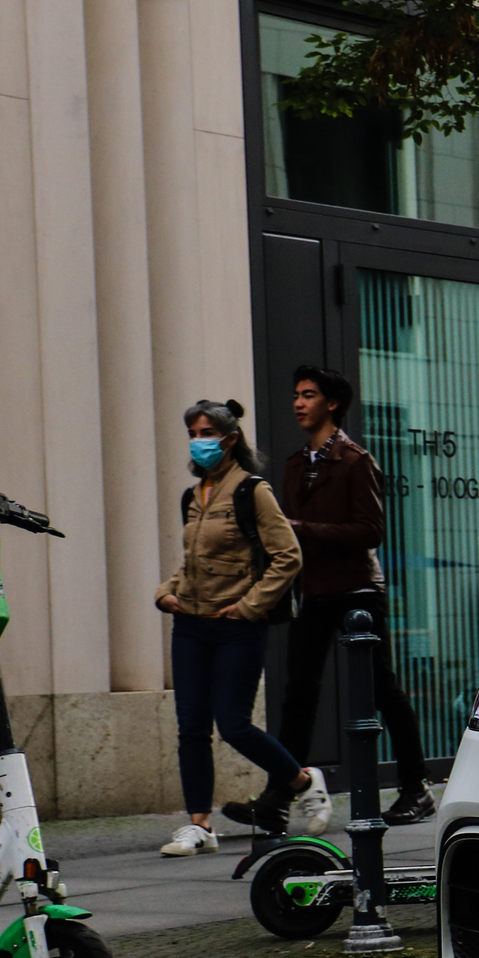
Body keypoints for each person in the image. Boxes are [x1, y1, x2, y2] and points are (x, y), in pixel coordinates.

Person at [272, 365, 434, 823]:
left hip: (358, 591)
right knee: (298, 693)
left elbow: (370, 530)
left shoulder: (356, 460)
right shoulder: (293, 464)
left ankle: (415, 787)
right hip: (314, 591)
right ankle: (280, 795)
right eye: (296, 395)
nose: (298, 403)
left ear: (332, 404)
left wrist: (301, 529)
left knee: (383, 689)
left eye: (308, 395)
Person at [154, 399, 314, 856]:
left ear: (228, 439)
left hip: (237, 626)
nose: (197, 441)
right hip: (190, 625)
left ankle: (301, 780)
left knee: (235, 725)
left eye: (205, 432)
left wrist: (250, 605)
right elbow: (192, 563)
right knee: (191, 729)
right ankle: (199, 825)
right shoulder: (193, 495)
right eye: (191, 433)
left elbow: (289, 556)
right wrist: (165, 590)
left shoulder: (251, 491)